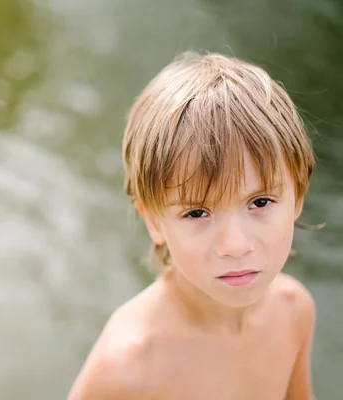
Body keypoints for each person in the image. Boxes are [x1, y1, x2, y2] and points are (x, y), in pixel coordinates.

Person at [67, 51, 320, 400]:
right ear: (153, 221)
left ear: (298, 197)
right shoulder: (125, 367)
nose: (235, 244)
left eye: (260, 202)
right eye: (197, 213)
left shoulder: (294, 311)